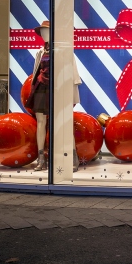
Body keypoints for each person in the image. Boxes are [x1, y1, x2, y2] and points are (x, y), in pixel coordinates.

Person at [26, 20, 82, 171]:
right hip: (41, 88)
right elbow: (36, 71)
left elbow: (72, 74)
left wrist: (71, 94)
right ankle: (41, 159)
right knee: (41, 122)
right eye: (42, 32)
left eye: (47, 31)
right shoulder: (40, 52)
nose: (44, 34)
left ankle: (72, 158)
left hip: (59, 89)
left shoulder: (65, 51)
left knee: (64, 123)